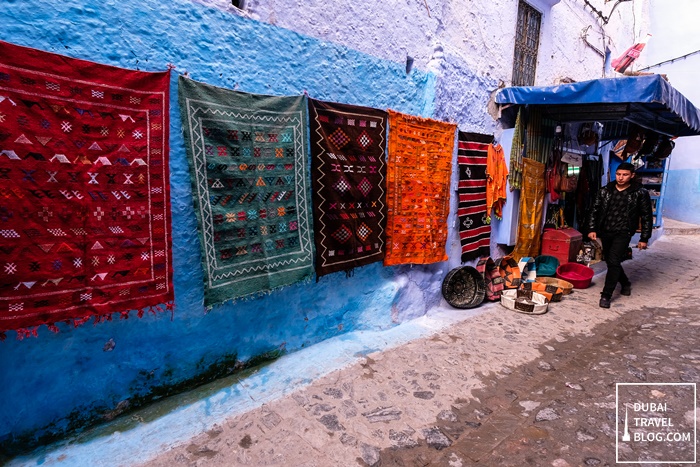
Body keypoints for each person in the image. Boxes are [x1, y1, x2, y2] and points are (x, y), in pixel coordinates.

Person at [587, 162, 653, 308]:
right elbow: (594, 210)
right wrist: (592, 228)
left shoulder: (639, 193)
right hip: (606, 231)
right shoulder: (605, 190)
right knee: (611, 261)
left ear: (632, 175)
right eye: (618, 174)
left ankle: (606, 295)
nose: (621, 178)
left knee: (614, 259)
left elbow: (646, 216)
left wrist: (644, 238)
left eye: (625, 175)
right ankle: (625, 283)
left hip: (624, 232)